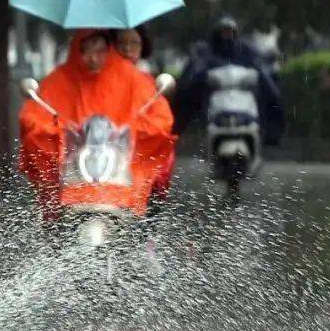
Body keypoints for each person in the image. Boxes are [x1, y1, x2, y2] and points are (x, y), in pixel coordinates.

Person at [19, 28, 176, 217]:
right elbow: (34, 118)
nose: (93, 58)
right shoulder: (58, 81)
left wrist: (134, 131)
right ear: (77, 51)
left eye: (100, 51)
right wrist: (57, 133)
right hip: (74, 176)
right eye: (86, 51)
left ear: (109, 49)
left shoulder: (132, 78)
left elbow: (159, 116)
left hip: (118, 175)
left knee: (146, 220)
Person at [171, 15, 284, 144]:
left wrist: (267, 62)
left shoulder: (244, 50)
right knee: (185, 91)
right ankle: (176, 131)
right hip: (213, 97)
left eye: (230, 32)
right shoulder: (206, 50)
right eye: (224, 32)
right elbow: (195, 69)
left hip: (242, 96)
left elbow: (259, 62)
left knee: (272, 92)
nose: (227, 36)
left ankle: (272, 133)